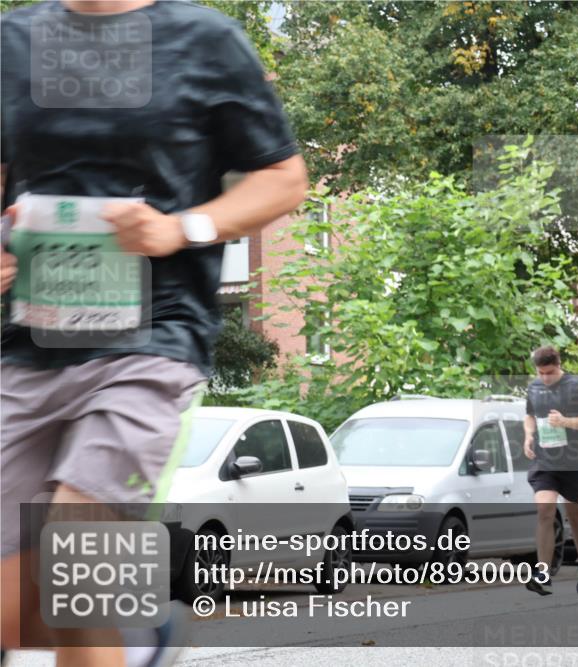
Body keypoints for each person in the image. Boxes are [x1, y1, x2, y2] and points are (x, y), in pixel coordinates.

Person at [0, 1, 308, 666]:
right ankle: (140, 634)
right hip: (30, 348)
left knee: (73, 565)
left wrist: (182, 227)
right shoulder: (12, 40)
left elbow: (284, 178)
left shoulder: (204, 40)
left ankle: (121, 626)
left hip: (153, 339)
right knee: (12, 615)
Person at [523, 346, 578, 596]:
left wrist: (566, 422)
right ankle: (543, 571)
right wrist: (528, 435)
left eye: (550, 372)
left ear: (559, 365)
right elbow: (530, 415)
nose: (545, 378)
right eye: (541, 373)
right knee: (545, 511)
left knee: (574, 516)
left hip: (574, 463)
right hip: (544, 461)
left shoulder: (577, 386)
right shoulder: (534, 387)